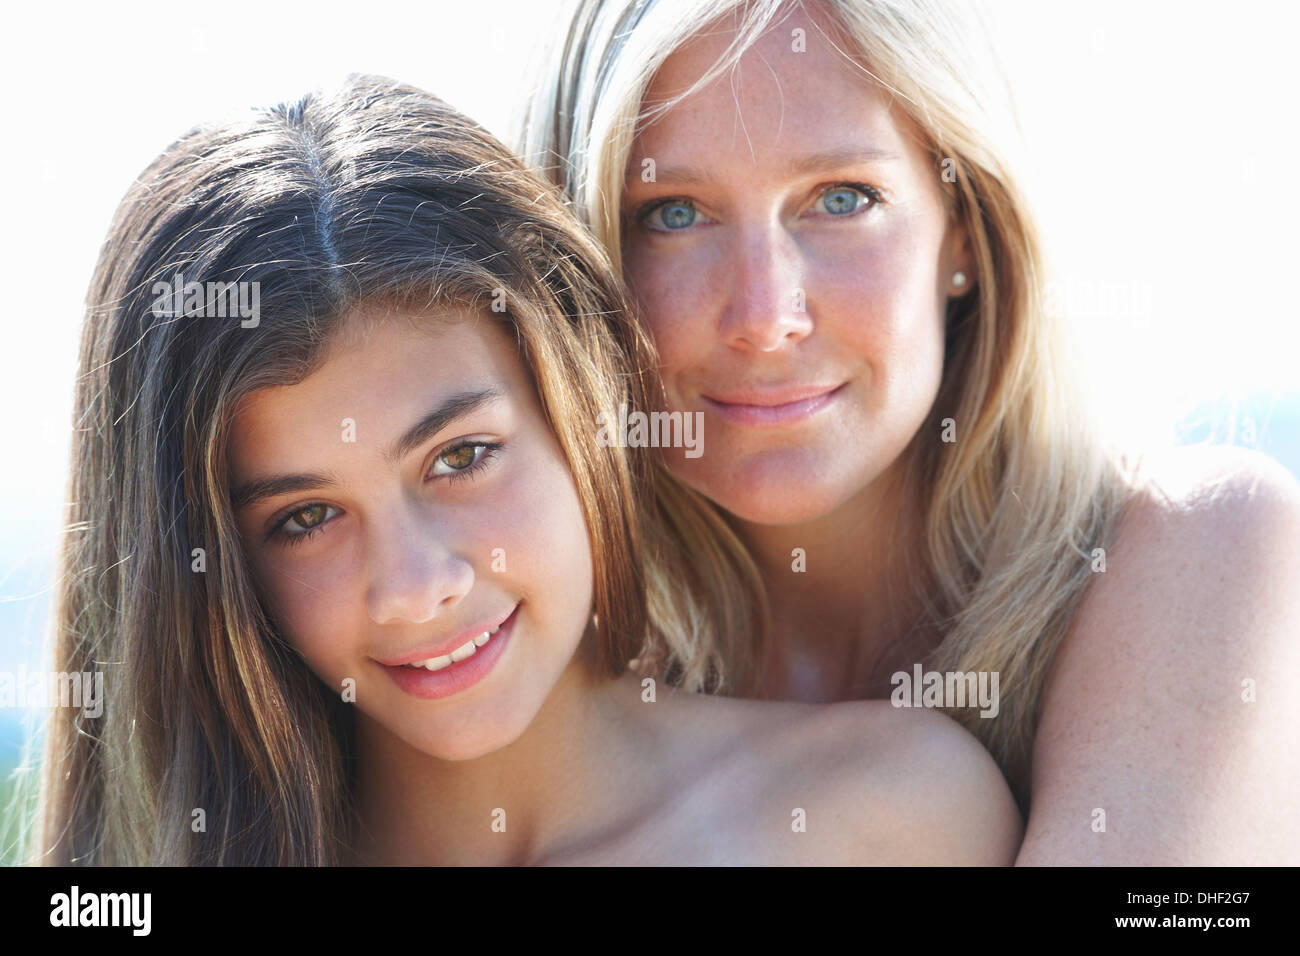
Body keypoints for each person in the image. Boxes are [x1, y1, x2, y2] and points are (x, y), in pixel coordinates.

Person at [34, 74, 1021, 865]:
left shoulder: (891, 816)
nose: (421, 587)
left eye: (460, 456)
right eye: (304, 518)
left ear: (583, 402)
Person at [517, 0, 1300, 863]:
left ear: (963, 232)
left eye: (842, 199)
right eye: (672, 213)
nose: (764, 315)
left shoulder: (1201, 544)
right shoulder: (513, 660)